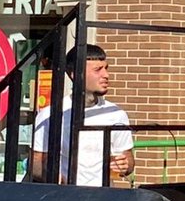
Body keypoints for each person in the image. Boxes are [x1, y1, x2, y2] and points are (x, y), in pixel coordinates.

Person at [31, 44, 134, 185]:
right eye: (98, 70)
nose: (106, 75)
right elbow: (36, 162)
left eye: (106, 68)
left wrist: (125, 165)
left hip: (104, 198)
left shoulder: (116, 114)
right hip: (66, 197)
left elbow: (127, 159)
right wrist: (52, 176)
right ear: (75, 74)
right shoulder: (51, 114)